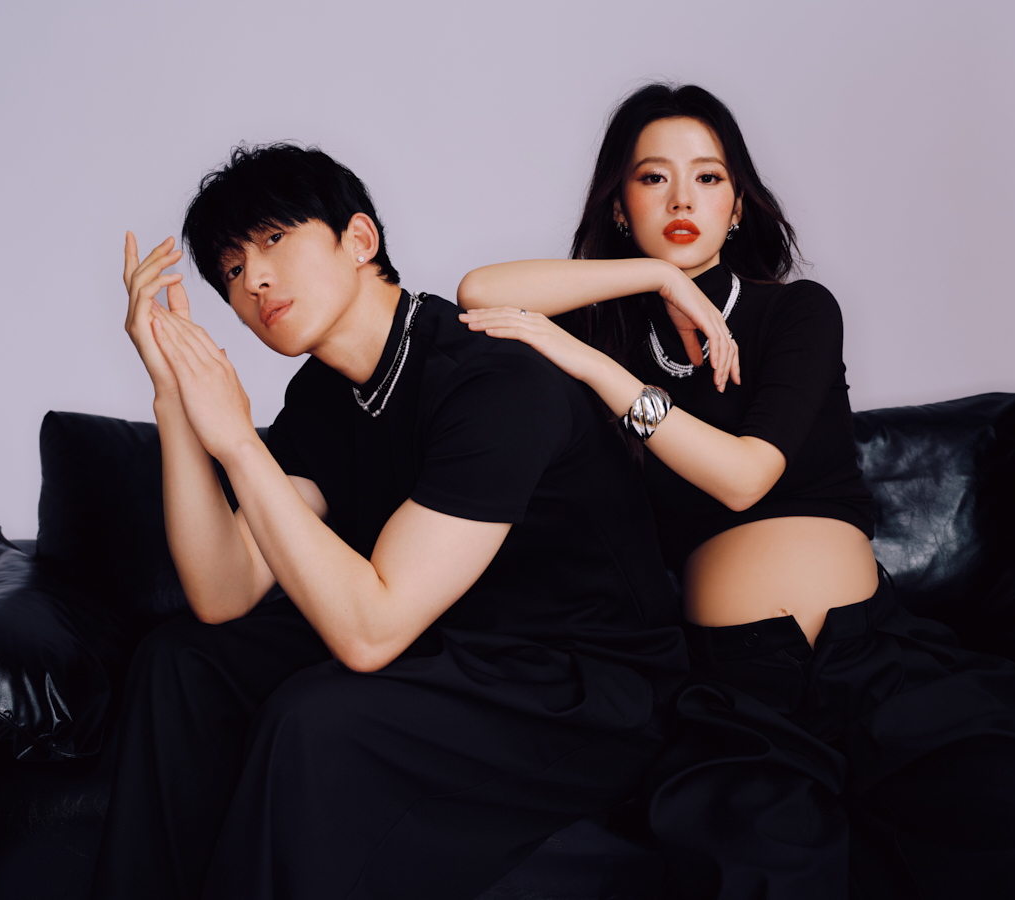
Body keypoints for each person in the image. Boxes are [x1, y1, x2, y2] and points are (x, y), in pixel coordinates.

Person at [457, 83, 1015, 899]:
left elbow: (744, 477)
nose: (682, 199)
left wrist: (597, 372)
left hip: (874, 656)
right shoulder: (613, 334)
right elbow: (477, 294)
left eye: (709, 178)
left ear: (737, 208)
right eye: (653, 178)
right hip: (738, 687)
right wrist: (654, 276)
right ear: (620, 208)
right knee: (763, 873)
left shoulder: (797, 312)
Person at [90, 143, 687, 900]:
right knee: (179, 662)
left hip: (584, 689)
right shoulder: (322, 397)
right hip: (450, 644)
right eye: (232, 270)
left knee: (316, 720)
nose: (255, 281)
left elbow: (369, 635)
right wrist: (175, 398)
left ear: (360, 239)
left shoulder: (491, 375)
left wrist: (238, 443)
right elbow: (222, 591)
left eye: (274, 239)